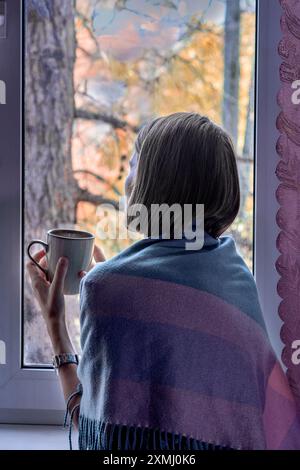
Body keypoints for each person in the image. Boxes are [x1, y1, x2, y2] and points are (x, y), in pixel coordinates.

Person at [27, 112, 300, 450]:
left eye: (132, 164)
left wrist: (55, 324)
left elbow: (99, 437)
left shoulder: (104, 289)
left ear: (156, 180)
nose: (126, 179)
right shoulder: (235, 277)